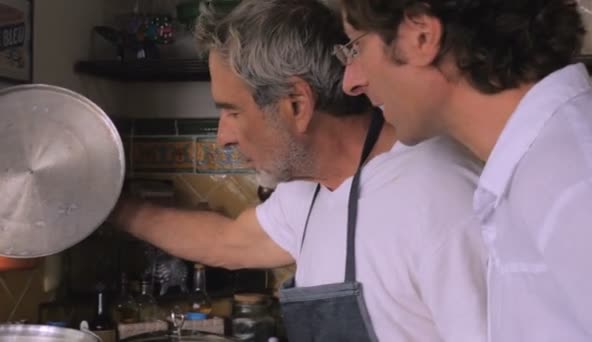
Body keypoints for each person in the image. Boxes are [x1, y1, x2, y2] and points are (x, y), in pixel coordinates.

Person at [111, 0, 487, 341]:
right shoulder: (313, 189)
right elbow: (227, 241)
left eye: (232, 112)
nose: (223, 137)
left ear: (296, 105)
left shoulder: (440, 197)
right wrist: (106, 206)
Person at [337, 0, 592, 340]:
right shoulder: (537, 171)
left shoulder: (571, 182)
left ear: (421, 36)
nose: (351, 81)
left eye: (356, 47)